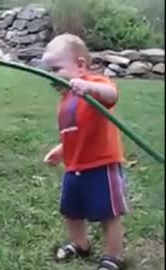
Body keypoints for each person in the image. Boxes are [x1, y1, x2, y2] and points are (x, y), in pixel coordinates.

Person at [41, 33, 129, 270]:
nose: (51, 76)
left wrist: (88, 87)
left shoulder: (96, 84)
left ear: (80, 66)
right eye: (48, 70)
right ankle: (80, 244)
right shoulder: (66, 98)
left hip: (101, 165)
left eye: (56, 69)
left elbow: (112, 96)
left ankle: (113, 257)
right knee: (71, 210)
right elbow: (74, 130)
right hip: (75, 166)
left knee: (108, 214)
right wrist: (62, 149)